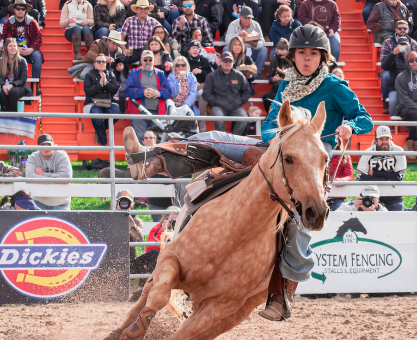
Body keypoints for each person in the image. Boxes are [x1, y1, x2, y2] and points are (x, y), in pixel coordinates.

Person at [124, 24, 372, 321]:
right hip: (276, 150)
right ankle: (150, 162)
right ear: (294, 56)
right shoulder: (287, 85)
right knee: (215, 138)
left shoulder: (334, 86)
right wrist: (273, 138)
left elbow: (364, 118)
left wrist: (350, 127)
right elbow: (269, 122)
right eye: (302, 53)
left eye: (313, 54)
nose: (307, 59)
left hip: (310, 161)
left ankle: (281, 294)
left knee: (296, 218)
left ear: (323, 57)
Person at [355, 126, 406, 211]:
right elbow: (360, 177)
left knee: (397, 223)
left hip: (394, 198)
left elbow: (398, 177)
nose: (385, 142)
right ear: (375, 140)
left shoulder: (399, 151)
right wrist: (387, 180)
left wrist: (374, 174)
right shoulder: (368, 153)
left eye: (387, 138)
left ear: (391, 139)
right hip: (372, 198)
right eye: (381, 139)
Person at [126, 50, 173, 142]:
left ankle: (155, 157)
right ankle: (142, 157)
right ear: (141, 60)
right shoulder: (134, 73)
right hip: (139, 112)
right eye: (145, 59)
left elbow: (168, 91)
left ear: (154, 60)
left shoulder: (160, 73)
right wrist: (142, 92)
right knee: (140, 139)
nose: (148, 61)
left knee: (157, 140)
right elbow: (128, 91)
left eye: (150, 59)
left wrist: (160, 93)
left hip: (157, 112)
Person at [202, 51, 250, 135]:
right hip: (218, 106)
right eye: (225, 61)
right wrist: (216, 102)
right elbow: (206, 94)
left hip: (235, 106)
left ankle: (234, 139)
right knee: (218, 118)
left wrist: (239, 101)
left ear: (233, 62)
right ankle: (223, 139)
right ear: (220, 62)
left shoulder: (239, 75)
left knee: (244, 119)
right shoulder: (212, 76)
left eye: (230, 61)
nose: (227, 63)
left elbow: (247, 91)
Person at [380, 21, 417, 115]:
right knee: (385, 77)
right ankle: (386, 101)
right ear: (396, 29)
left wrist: (408, 54)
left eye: (405, 28)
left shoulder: (413, 43)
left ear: (408, 29)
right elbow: (384, 64)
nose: (402, 30)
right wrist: (393, 53)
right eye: (400, 28)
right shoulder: (388, 42)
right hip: (391, 70)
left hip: (408, 72)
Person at [27, 134, 73, 210]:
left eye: (49, 144)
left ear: (54, 145)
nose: (46, 147)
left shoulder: (61, 155)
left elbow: (66, 178)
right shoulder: (33, 157)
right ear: (38, 148)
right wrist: (56, 179)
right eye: (43, 145)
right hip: (39, 203)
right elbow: (30, 178)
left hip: (61, 204)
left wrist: (43, 174)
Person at [1, 0, 42, 80]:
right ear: (14, 9)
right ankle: (10, 82)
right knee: (6, 56)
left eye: (23, 9)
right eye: (18, 9)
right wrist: (16, 48)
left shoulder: (32, 22)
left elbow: (38, 37)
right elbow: (6, 39)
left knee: (37, 57)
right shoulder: (8, 22)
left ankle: (36, 84)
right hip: (14, 50)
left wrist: (32, 48)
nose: (20, 11)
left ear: (26, 10)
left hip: (30, 49)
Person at [85, 54, 120, 146]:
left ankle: (99, 130)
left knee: (116, 114)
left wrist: (106, 83)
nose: (101, 63)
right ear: (94, 64)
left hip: (108, 102)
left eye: (103, 61)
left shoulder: (110, 74)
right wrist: (99, 84)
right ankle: (103, 142)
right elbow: (88, 91)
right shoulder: (89, 75)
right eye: (99, 61)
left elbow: (114, 90)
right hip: (93, 103)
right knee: (97, 118)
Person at [224, 6, 267, 77]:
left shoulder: (256, 25)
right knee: (226, 49)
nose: (247, 20)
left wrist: (255, 44)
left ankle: (257, 74)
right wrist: (238, 36)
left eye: (249, 18)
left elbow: (262, 41)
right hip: (238, 50)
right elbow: (227, 40)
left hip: (252, 50)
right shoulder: (233, 24)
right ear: (240, 17)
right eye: (245, 18)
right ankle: (229, 72)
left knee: (263, 50)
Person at [0, 38, 31, 113]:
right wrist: (3, 85)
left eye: (14, 46)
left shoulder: (22, 61)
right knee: (0, 93)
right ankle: (5, 112)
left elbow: (23, 79)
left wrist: (12, 85)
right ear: (6, 48)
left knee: (13, 92)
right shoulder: (0, 60)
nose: (13, 48)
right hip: (4, 85)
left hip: (19, 86)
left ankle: (14, 113)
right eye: (10, 46)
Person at [121, 0, 160, 64]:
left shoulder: (154, 22)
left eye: (145, 9)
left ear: (148, 10)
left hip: (148, 51)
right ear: (136, 10)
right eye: (140, 9)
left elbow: (163, 34)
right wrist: (124, 49)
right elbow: (121, 38)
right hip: (132, 50)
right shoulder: (129, 21)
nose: (143, 11)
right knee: (121, 62)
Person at [166, 55, 199, 124]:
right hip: (173, 105)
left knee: (187, 111)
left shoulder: (191, 77)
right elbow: (173, 93)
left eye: (183, 65)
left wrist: (185, 106)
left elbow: (193, 94)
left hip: (186, 105)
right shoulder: (170, 77)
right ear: (175, 67)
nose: (180, 67)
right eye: (178, 65)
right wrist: (177, 80)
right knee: (170, 104)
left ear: (186, 66)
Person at [114, 189, 144, 260]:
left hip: (129, 262)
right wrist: (114, 214)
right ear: (116, 203)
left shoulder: (136, 221)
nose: (124, 204)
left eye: (127, 202)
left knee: (154, 253)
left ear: (132, 205)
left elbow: (139, 240)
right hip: (110, 260)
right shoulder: (107, 217)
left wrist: (129, 220)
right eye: (121, 202)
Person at [263, 38, 291, 113]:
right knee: (266, 97)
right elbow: (269, 79)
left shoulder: (292, 61)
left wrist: (284, 78)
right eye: (280, 55)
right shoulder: (274, 60)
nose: (281, 57)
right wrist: (274, 79)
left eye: (283, 55)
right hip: (276, 87)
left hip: (288, 87)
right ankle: (270, 116)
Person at [326, 142, 353, 211]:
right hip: (320, 197)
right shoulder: (317, 155)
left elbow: (349, 176)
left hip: (337, 197)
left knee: (339, 212)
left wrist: (341, 180)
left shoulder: (345, 156)